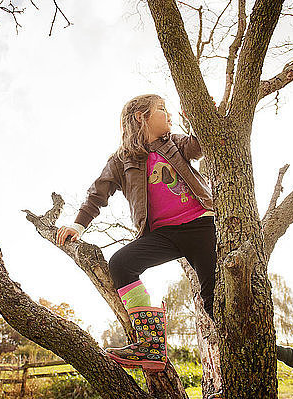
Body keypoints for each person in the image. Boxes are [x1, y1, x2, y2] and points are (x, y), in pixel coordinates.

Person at [56, 94, 217, 372]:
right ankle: (151, 346)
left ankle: (242, 344)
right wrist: (78, 225)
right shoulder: (121, 160)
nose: (169, 115)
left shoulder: (176, 143)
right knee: (121, 263)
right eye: (162, 110)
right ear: (142, 117)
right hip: (162, 234)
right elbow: (97, 194)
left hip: (201, 226)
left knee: (212, 298)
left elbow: (200, 146)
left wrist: (199, 114)